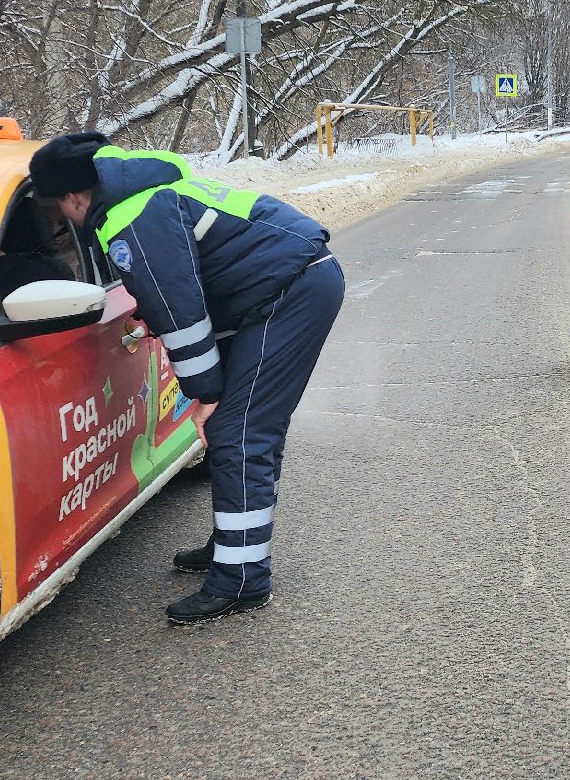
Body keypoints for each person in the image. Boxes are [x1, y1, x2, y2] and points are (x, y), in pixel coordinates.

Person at [28, 133, 345, 625]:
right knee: (240, 430)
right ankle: (233, 543)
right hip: (274, 287)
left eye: (57, 213)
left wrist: (206, 394)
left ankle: (242, 578)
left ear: (73, 197)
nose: (62, 225)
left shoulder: (133, 217)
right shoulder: (138, 193)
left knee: (239, 432)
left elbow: (182, 316)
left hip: (290, 291)